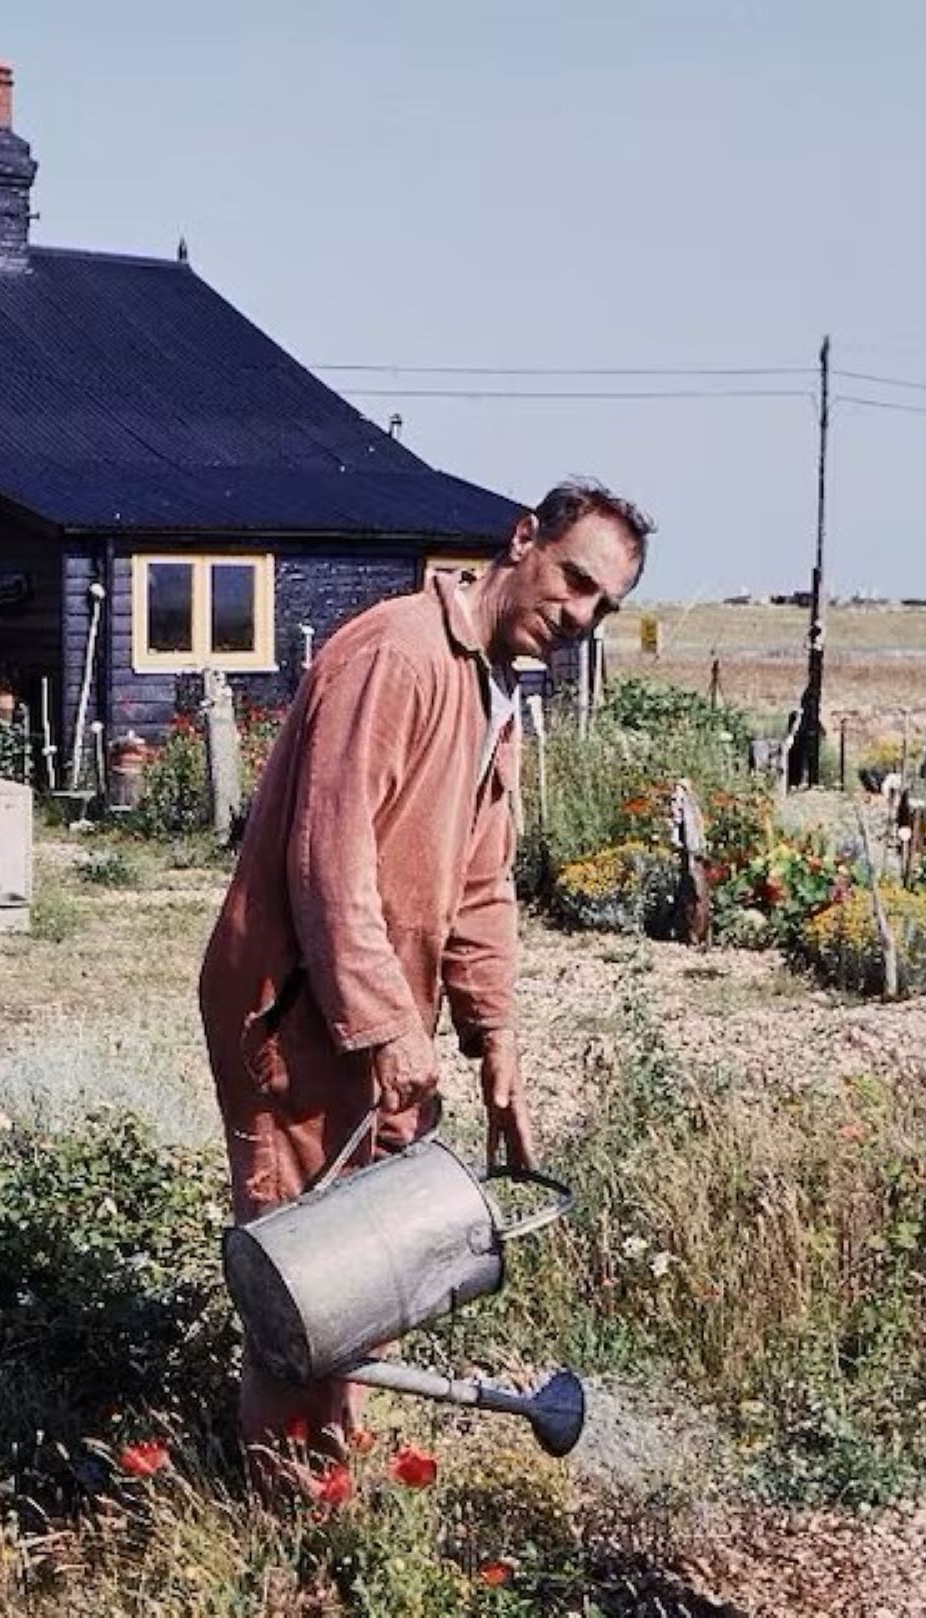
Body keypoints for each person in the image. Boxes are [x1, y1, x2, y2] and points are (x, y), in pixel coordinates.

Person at [198, 477, 651, 1469]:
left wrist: (495, 1042)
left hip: (371, 1015)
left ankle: (335, 1472)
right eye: (573, 580)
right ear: (522, 539)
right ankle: (282, 1520)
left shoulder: (493, 689)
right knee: (304, 1275)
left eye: (601, 608)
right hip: (295, 1010)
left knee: (378, 1264)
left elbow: (481, 885)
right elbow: (328, 857)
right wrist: (393, 1029)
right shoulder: (398, 653)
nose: (577, 616)